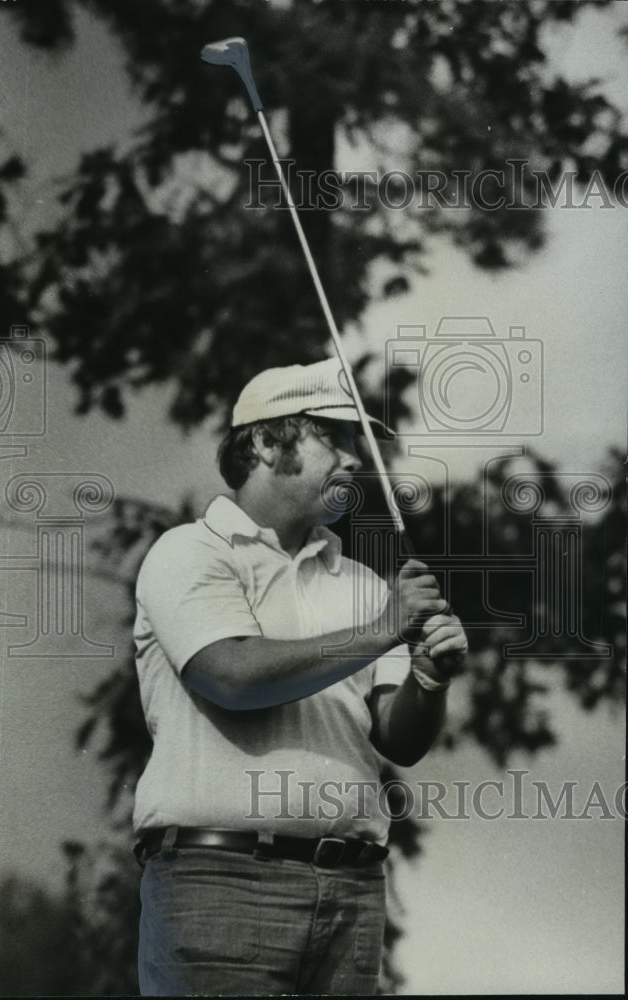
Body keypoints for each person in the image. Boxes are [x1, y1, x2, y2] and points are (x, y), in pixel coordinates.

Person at [132, 358, 468, 996]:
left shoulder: (364, 584)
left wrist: (427, 679)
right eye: (333, 438)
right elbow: (229, 676)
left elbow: (398, 739)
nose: (352, 460)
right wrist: (383, 630)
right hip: (220, 881)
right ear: (263, 441)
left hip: (353, 890)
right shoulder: (189, 552)